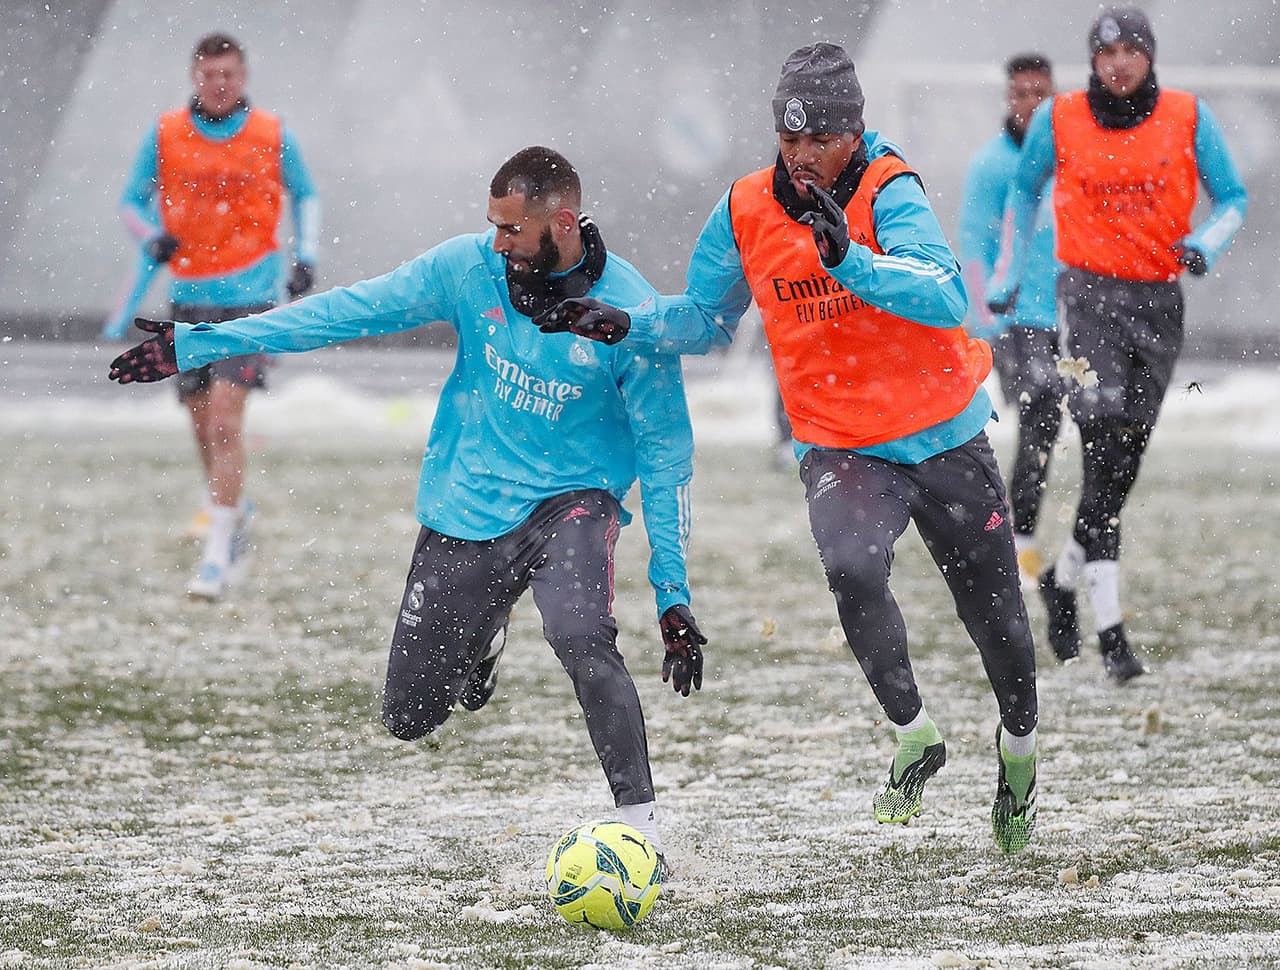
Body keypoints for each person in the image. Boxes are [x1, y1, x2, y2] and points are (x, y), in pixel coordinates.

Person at [109, 146, 706, 861]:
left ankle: (640, 828)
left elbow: (667, 459)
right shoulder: (468, 269)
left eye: (513, 230)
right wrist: (204, 342)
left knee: (581, 636)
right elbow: (342, 313)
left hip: (573, 504)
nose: (498, 243)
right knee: (409, 716)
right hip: (470, 500)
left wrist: (673, 595)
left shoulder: (632, 315)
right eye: (493, 226)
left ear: (565, 222)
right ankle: (483, 640)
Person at [538, 44, 1039, 854]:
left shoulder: (890, 188)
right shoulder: (744, 208)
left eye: (820, 138)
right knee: (850, 565)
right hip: (840, 442)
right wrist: (626, 320)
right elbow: (705, 319)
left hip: (943, 432)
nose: (800, 155)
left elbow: (947, 294)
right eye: (788, 135)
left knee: (1000, 626)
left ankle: (1018, 751)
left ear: (855, 132)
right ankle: (916, 736)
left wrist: (851, 260)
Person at [993, 8, 1248, 681]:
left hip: (1159, 302)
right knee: (1103, 440)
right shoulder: (1062, 117)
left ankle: (1062, 576)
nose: (1119, 62)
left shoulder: (1189, 116)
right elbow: (1022, 189)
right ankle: (1112, 636)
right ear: (1093, 59)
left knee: (1122, 463)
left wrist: (1205, 244)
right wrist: (1007, 276)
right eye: (1107, 51)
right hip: (1090, 300)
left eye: (1132, 49)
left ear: (1150, 56)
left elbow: (1233, 198)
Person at [119, 32, 321, 598]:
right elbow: (131, 200)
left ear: (243, 76)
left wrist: (306, 255)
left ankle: (216, 555)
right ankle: (234, 515)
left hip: (251, 298)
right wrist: (151, 236)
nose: (220, 83)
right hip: (188, 297)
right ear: (195, 77)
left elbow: (306, 194)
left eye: (229, 73)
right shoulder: (166, 133)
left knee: (228, 424)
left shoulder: (271, 133)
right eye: (211, 74)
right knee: (202, 426)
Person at [957, 53, 1063, 590]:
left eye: (1039, 93)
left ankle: (1035, 540)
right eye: (1020, 93)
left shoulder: (1070, 161)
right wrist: (984, 323)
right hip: (1012, 318)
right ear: (1009, 98)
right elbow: (974, 250)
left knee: (1051, 424)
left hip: (1065, 314)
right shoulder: (991, 166)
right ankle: (1013, 542)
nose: (1029, 104)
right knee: (1039, 408)